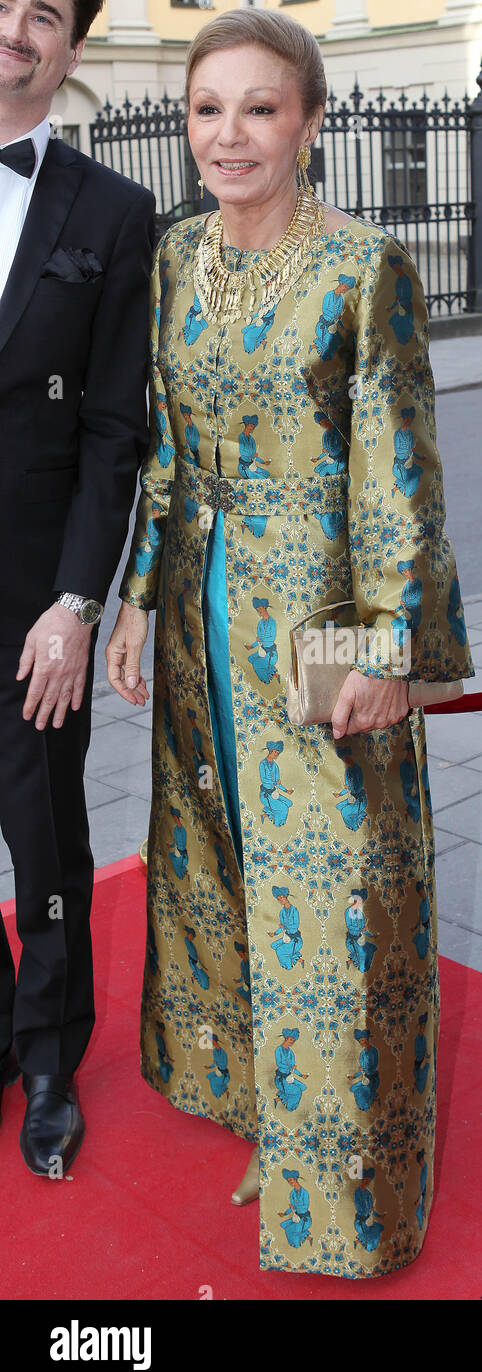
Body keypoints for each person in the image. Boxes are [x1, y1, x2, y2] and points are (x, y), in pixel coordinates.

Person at [108, 7, 474, 1279]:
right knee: (217, 866)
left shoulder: (365, 266)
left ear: (311, 122)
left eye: (261, 108)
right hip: (202, 620)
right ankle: (261, 1102)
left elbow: (399, 480)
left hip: (319, 628)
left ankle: (345, 1191)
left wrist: (388, 649)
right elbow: (161, 443)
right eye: (210, 109)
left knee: (334, 895)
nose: (230, 134)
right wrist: (142, 588)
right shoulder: (171, 258)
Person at [0, 0, 154, 1174]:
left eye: (40, 14)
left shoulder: (115, 212)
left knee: (44, 834)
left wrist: (76, 603)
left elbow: (114, 431)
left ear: (71, 48)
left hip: (33, 597)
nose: (13, 30)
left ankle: (51, 1057)